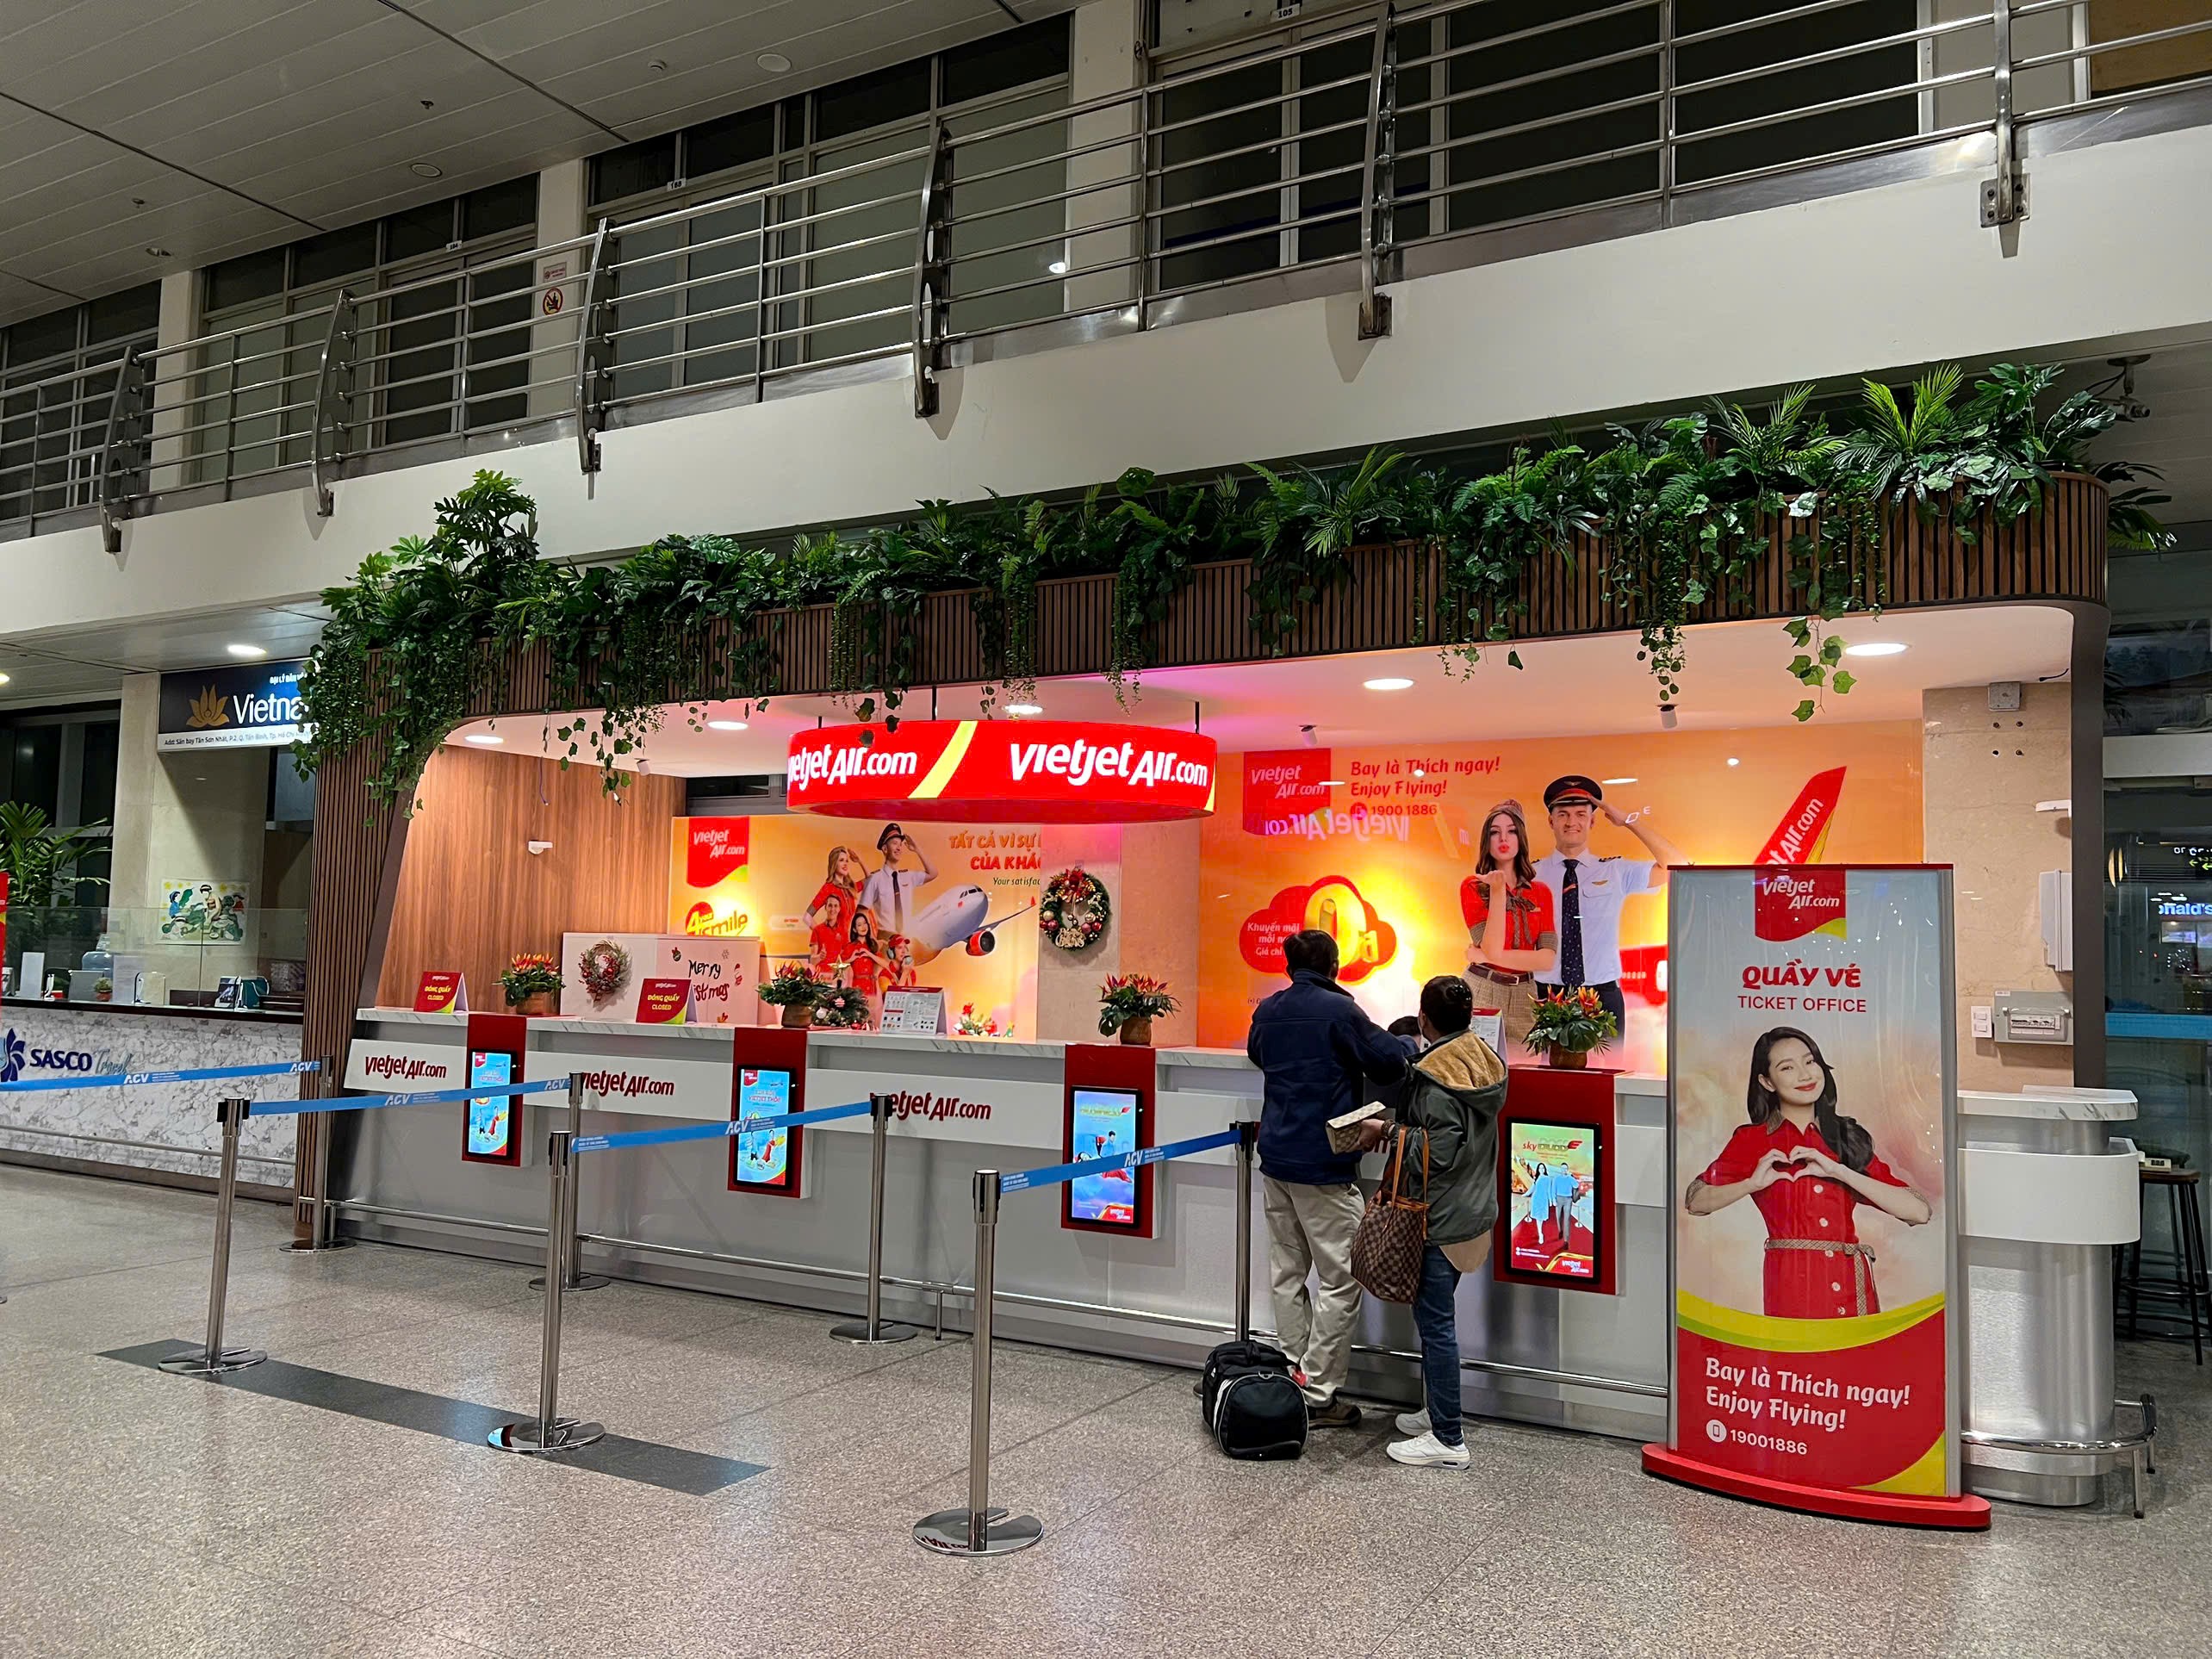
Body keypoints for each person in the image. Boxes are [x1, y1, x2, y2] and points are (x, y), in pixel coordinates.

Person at [1246, 928, 1411, 1426]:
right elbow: (1390, 1061)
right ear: (1334, 965)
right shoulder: (1340, 1011)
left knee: (1287, 1271)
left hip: (1276, 1157)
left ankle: (1294, 1373)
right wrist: (1408, 1040)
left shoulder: (1267, 1011)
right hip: (1323, 1162)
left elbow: (1257, 1055)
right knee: (1342, 1277)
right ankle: (1318, 1392)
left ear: (1288, 965)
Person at [1684, 1027, 1931, 1318]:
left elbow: (1918, 1211)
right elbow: (1696, 1201)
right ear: (1767, 1081)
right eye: (1787, 1068)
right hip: (1792, 1289)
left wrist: (1840, 1172)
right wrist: (1750, 1184)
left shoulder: (1844, 1137)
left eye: (1810, 1061)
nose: (1805, 1075)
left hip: (1852, 1289)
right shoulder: (1753, 1140)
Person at [1386, 974, 1507, 1470]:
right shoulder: (1482, 1059)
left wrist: (1389, 1132)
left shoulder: (1435, 1078)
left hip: (1440, 1216)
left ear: (1423, 1019)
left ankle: (1447, 1438)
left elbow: (1438, 1151)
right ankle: (1436, 1409)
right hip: (1473, 1209)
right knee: (1434, 1318)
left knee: (1436, 1325)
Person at [1532, 776, 1687, 1034]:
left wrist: (1628, 821)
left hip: (1601, 995)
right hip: (1546, 993)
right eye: (1563, 814)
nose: (1571, 822)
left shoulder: (1615, 870)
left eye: (1581, 814)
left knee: (1607, 1062)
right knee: (1541, 1062)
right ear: (1551, 821)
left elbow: (1678, 865)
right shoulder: (1531, 875)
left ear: (1592, 821)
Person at [1458, 798, 1558, 1054]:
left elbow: (1546, 960)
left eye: (1511, 831)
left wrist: (1484, 956)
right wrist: (1498, 890)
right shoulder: (1472, 886)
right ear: (1486, 840)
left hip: (1525, 993)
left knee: (1526, 1069)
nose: (1503, 838)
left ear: (1520, 838)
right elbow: (1491, 947)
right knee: (1478, 1068)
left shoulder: (1541, 892)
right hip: (1483, 989)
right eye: (1495, 832)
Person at [861, 823, 939, 938]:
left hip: (905, 938)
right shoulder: (875, 879)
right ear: (885, 849)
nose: (899, 848)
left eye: (900, 844)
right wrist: (872, 940)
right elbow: (862, 912)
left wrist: (917, 850)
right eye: (894, 843)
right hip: (885, 938)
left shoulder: (907, 876)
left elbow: (933, 873)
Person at [807, 847, 865, 975]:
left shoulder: (849, 888)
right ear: (834, 863)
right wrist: (825, 935)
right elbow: (807, 917)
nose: (845, 864)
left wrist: (859, 861)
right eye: (841, 860)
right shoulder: (828, 888)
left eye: (847, 860)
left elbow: (870, 880)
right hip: (838, 951)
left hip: (851, 945)